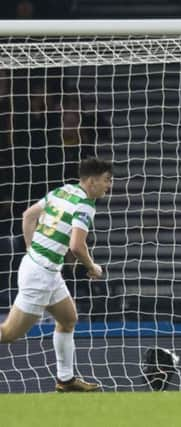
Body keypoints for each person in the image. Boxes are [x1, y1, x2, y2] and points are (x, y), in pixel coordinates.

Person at [0, 157, 112, 392]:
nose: (108, 186)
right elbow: (77, 246)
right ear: (91, 181)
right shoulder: (85, 205)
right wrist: (92, 267)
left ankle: (65, 379)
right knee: (9, 334)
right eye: (106, 181)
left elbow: (28, 216)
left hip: (44, 270)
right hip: (39, 275)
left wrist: (31, 248)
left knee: (68, 319)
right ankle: (65, 378)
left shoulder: (63, 191)